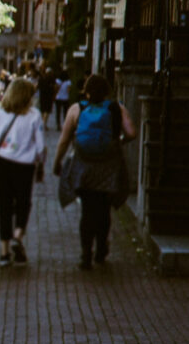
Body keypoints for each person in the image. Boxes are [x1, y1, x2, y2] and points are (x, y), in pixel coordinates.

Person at [51, 74, 136, 270]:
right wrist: (118, 142)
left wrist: (57, 163)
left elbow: (64, 140)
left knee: (87, 211)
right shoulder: (117, 108)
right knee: (104, 209)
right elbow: (132, 133)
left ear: (86, 91)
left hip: (84, 168)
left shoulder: (77, 109)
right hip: (109, 167)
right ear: (107, 91)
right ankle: (101, 250)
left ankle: (86, 254)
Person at [0, 77, 46, 266]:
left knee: (4, 207)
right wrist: (41, 165)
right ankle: (18, 235)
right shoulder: (34, 115)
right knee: (23, 203)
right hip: (24, 167)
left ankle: (4, 252)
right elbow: (40, 146)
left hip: (2, 164)